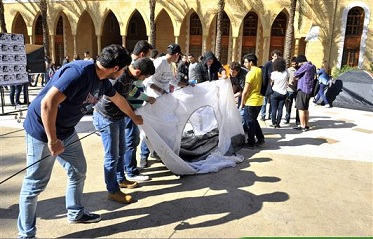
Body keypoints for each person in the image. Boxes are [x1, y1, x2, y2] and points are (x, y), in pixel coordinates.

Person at [18, 44, 143, 239]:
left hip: (66, 132)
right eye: (124, 69)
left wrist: (134, 118)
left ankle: (75, 213)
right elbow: (47, 103)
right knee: (35, 184)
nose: (123, 74)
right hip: (42, 131)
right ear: (116, 68)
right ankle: (26, 235)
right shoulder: (78, 73)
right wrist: (52, 140)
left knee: (78, 171)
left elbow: (118, 99)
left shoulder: (102, 81)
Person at [93, 58, 156, 203]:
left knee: (121, 150)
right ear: (138, 72)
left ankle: (121, 179)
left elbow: (132, 91)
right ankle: (113, 190)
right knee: (112, 156)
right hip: (107, 117)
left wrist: (146, 98)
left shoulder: (129, 76)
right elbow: (120, 101)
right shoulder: (120, 78)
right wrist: (134, 117)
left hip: (118, 117)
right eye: (144, 77)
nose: (144, 80)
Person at [240, 53, 265, 149]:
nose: (244, 64)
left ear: (251, 62)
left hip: (251, 101)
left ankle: (251, 142)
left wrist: (242, 103)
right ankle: (261, 139)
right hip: (259, 100)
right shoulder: (260, 71)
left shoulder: (250, 73)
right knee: (254, 120)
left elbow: (245, 91)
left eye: (245, 62)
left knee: (249, 122)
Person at [293, 55, 316, 132]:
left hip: (302, 88)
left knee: (301, 108)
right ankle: (306, 125)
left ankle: (302, 126)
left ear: (300, 61)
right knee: (306, 108)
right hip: (309, 89)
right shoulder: (312, 66)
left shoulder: (305, 66)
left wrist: (298, 71)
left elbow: (296, 73)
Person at [260, 50, 281, 121]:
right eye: (275, 56)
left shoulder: (279, 65)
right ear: (272, 56)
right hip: (267, 86)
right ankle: (263, 115)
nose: (276, 57)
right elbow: (264, 75)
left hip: (275, 87)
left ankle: (271, 115)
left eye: (278, 56)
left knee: (272, 102)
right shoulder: (268, 64)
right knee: (264, 102)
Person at [230, 61, 249, 132]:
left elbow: (244, 91)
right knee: (239, 110)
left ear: (238, 71)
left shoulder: (244, 75)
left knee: (242, 111)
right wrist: (231, 94)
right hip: (241, 92)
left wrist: (234, 96)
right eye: (231, 72)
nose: (231, 74)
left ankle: (243, 129)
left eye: (233, 72)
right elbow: (234, 85)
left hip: (248, 94)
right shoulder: (232, 74)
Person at [269, 57, 288, 128]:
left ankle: (273, 123)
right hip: (283, 93)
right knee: (280, 109)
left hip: (275, 92)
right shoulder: (286, 72)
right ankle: (278, 123)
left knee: (274, 109)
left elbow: (271, 82)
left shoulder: (273, 73)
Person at [284, 57, 300, 125]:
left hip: (298, 90)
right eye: (292, 64)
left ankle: (298, 120)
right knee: (288, 106)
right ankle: (287, 119)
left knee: (298, 106)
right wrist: (288, 83)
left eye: (295, 64)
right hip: (290, 90)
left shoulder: (300, 70)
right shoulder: (288, 70)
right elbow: (286, 79)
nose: (294, 65)